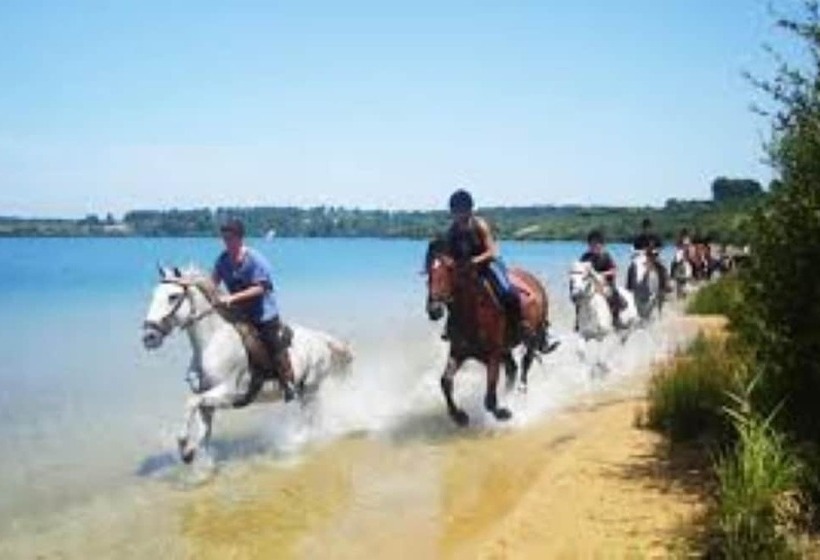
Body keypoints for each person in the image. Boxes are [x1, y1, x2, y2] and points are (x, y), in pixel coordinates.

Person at [211, 218, 297, 402]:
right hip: (239, 313)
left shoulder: (254, 259)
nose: (226, 242)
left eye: (230, 238)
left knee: (273, 344)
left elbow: (261, 288)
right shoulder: (222, 260)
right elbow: (213, 283)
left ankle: (288, 382)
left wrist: (232, 297)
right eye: (224, 239)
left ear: (240, 238)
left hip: (263, 313)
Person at [446, 189, 527, 338]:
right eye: (455, 211)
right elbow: (449, 254)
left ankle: (521, 325)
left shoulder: (479, 225)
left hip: (489, 264)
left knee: (507, 291)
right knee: (449, 294)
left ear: (469, 210)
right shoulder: (452, 231)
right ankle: (451, 327)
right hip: (466, 270)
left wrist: (474, 261)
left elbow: (492, 251)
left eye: (461, 211)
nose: (458, 215)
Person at [580, 230, 625, 327]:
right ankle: (578, 322)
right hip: (590, 285)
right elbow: (580, 270)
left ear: (601, 245)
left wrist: (602, 274)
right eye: (591, 244)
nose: (594, 246)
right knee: (580, 297)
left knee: (614, 294)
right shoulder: (585, 257)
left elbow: (614, 270)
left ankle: (616, 319)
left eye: (596, 243)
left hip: (605, 283)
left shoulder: (606, 256)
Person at [631, 218, 670, 293]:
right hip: (642, 257)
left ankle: (665, 284)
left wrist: (656, 250)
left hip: (654, 256)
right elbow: (634, 248)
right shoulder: (639, 238)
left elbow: (661, 246)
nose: (646, 230)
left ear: (650, 228)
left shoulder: (655, 237)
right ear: (643, 228)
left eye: (648, 228)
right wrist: (639, 252)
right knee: (632, 266)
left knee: (663, 265)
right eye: (645, 228)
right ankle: (630, 286)